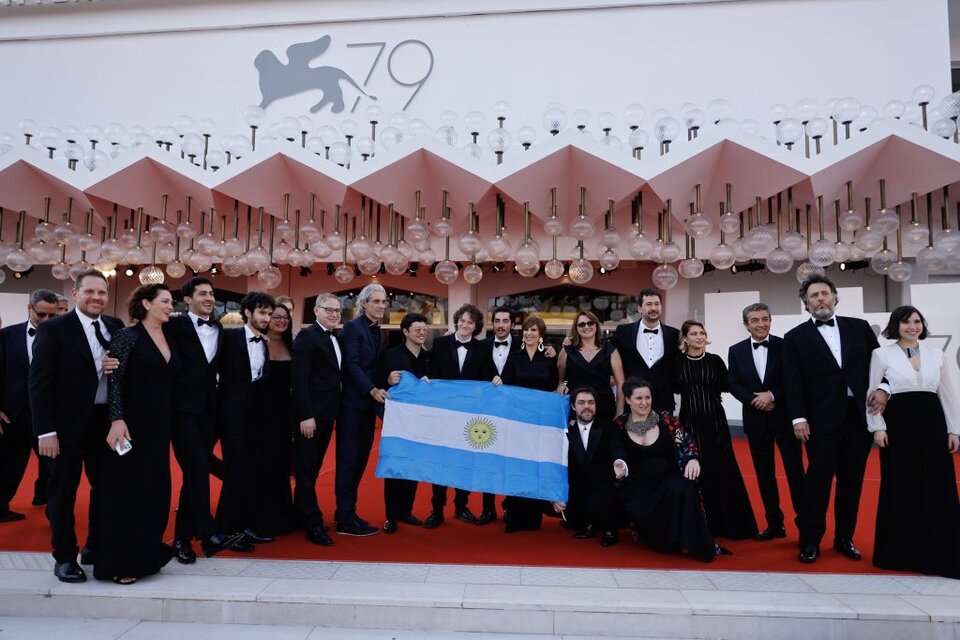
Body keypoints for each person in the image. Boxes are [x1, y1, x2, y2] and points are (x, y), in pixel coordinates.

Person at [784, 274, 888, 564]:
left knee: (851, 482)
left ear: (834, 298)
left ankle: (844, 538)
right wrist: (798, 419)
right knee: (817, 482)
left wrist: (884, 389)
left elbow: (882, 366)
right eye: (814, 295)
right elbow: (793, 383)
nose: (820, 299)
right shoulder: (794, 338)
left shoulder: (860, 328)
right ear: (806, 303)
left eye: (824, 293)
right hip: (819, 422)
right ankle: (809, 541)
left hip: (858, 419)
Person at [30, 270, 124, 583]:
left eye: (102, 293)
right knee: (62, 493)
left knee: (106, 487)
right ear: (75, 293)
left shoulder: (115, 326)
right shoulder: (54, 329)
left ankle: (95, 546)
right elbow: (39, 383)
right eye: (90, 292)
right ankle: (65, 557)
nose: (96, 297)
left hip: (103, 423)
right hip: (65, 426)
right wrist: (46, 431)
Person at [95, 284, 179, 584]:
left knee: (154, 491)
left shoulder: (171, 336)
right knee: (126, 492)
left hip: (159, 426)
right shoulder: (126, 336)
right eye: (165, 301)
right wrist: (116, 419)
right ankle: (121, 562)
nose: (171, 306)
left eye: (172, 302)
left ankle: (146, 555)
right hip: (130, 425)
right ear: (145, 303)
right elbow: (114, 379)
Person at [868, 306, 960, 579]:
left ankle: (938, 550)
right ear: (896, 325)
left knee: (936, 485)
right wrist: (877, 428)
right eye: (906, 321)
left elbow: (946, 394)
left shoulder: (935, 353)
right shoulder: (881, 354)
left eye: (917, 321)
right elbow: (872, 393)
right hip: (899, 426)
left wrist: (953, 429)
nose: (912, 326)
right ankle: (899, 553)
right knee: (901, 484)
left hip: (932, 425)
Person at [167, 277, 244, 563]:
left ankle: (182, 541)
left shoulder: (220, 328)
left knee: (193, 475)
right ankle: (207, 530)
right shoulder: (173, 325)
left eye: (211, 293)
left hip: (210, 411)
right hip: (181, 410)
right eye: (202, 294)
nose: (209, 298)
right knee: (197, 466)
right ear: (187, 299)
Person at [611, 377, 721, 562]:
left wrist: (692, 459)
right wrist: (619, 462)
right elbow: (617, 450)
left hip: (666, 478)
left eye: (648, 397)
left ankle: (688, 541)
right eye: (639, 398)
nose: (644, 402)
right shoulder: (620, 424)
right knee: (664, 547)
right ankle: (652, 532)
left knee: (683, 485)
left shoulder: (666, 419)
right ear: (628, 399)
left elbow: (686, 442)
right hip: (639, 487)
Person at [727, 303, 804, 541]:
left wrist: (771, 395)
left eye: (765, 319)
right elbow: (733, 383)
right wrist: (754, 400)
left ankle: (805, 528)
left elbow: (793, 379)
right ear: (746, 324)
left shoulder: (785, 346)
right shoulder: (736, 350)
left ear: (770, 320)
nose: (761, 324)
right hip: (755, 420)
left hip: (784, 418)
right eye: (755, 320)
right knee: (764, 474)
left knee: (795, 472)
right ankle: (774, 524)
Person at [675, 320, 757, 540]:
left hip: (716, 422)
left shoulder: (715, 361)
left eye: (702, 333)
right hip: (689, 422)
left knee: (722, 467)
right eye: (694, 333)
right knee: (695, 467)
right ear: (685, 338)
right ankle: (700, 525)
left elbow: (729, 385)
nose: (700, 337)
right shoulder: (677, 363)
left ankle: (729, 525)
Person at [426, 303, 501, 528]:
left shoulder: (482, 348)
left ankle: (461, 506)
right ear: (457, 320)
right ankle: (437, 510)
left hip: (469, 418)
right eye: (462, 320)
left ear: (476, 326)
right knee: (441, 463)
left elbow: (491, 375)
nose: (465, 325)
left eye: (471, 322)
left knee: (464, 463)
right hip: (444, 415)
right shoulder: (439, 344)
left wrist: (496, 378)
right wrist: (425, 379)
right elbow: (429, 372)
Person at [215, 291, 275, 550]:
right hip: (231, 415)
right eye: (263, 313)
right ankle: (226, 529)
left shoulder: (264, 343)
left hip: (255, 417)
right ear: (248, 312)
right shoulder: (229, 337)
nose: (267, 318)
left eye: (270, 314)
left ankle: (245, 526)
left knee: (251, 471)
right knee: (236, 471)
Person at [0, 289, 59, 522]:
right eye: (41, 315)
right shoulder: (6, 336)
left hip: (48, 416)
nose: (46, 321)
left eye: (51, 316)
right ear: (29, 309)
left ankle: (54, 512)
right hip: (12, 415)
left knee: (55, 468)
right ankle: (1, 508)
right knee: (8, 465)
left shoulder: (63, 337)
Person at [335, 284, 388, 537]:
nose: (381, 305)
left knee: (360, 462)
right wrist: (371, 389)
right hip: (352, 406)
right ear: (364, 303)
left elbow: (376, 367)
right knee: (347, 462)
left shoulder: (380, 332)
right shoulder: (352, 328)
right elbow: (351, 365)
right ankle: (345, 518)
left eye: (384, 302)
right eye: (376, 301)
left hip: (368, 407)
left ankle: (347, 512)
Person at [291, 293, 342, 547]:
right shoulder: (307, 337)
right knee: (305, 470)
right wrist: (305, 415)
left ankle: (301, 513)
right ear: (316, 311)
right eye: (329, 310)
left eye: (338, 311)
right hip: (311, 417)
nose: (334, 314)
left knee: (312, 468)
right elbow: (299, 378)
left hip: (328, 414)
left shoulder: (335, 337)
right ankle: (312, 522)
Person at [500, 315, 558, 533]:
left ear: (541, 334)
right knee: (517, 465)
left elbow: (554, 387)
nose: (529, 334)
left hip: (541, 422)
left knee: (536, 466)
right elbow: (506, 385)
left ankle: (533, 516)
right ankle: (513, 515)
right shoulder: (515, 357)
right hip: (518, 421)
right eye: (526, 330)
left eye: (534, 330)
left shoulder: (549, 357)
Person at [379, 312, 430, 534]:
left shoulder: (430, 357)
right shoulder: (390, 356)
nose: (421, 332)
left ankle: (406, 510)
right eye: (417, 328)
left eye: (424, 329)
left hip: (421, 422)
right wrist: (387, 379)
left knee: (413, 466)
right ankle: (391, 515)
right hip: (397, 422)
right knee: (395, 465)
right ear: (405, 332)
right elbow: (377, 380)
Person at [250, 302, 296, 537]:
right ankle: (257, 518)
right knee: (259, 464)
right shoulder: (256, 343)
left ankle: (281, 516)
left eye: (285, 318)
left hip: (282, 416)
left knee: (280, 464)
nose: (280, 320)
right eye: (275, 316)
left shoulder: (293, 346)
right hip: (257, 414)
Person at [552, 386, 619, 546]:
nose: (587, 406)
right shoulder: (566, 431)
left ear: (596, 405)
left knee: (606, 492)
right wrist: (555, 495)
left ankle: (609, 529)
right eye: (581, 403)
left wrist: (619, 462)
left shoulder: (609, 428)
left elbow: (617, 449)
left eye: (591, 402)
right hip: (578, 489)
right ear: (573, 406)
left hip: (604, 489)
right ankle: (585, 522)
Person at [612, 288, 680, 413]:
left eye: (657, 304)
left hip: (663, 402)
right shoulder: (623, 331)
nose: (653, 308)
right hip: (632, 401)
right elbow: (608, 355)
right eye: (649, 304)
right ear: (639, 308)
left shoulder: (674, 334)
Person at [557, 310, 625, 426]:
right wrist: (561, 385)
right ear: (576, 328)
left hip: (605, 410)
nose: (586, 327)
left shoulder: (610, 350)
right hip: (575, 411)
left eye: (590, 323)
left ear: (596, 325)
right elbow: (560, 380)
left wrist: (619, 413)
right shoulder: (567, 351)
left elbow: (621, 383)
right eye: (582, 324)